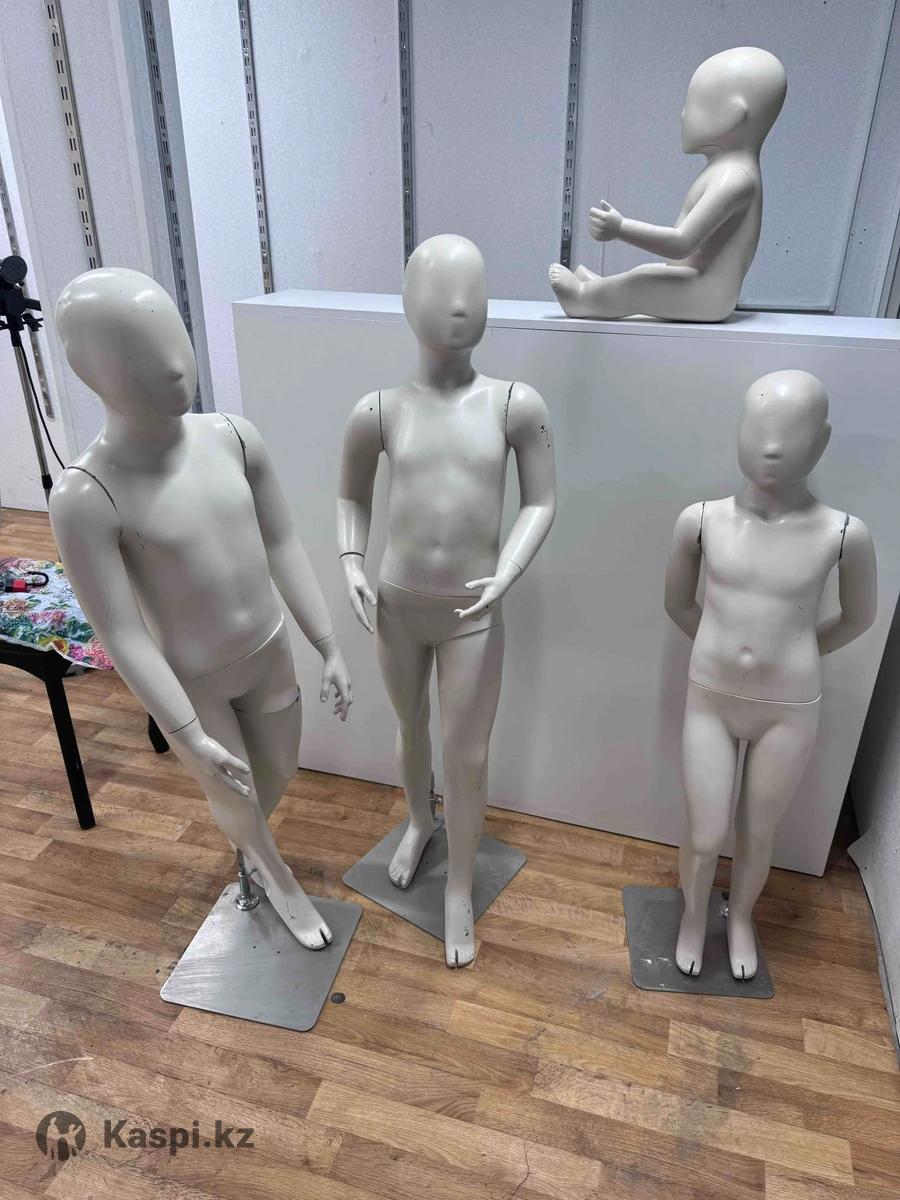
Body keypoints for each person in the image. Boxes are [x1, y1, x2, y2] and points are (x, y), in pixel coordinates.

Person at [50, 268, 352, 949]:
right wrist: (184, 731)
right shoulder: (86, 495)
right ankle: (275, 875)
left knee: (278, 772)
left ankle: (251, 845)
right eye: (137, 351)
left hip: (269, 650)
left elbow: (282, 542)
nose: (171, 363)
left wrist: (328, 643)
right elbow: (120, 632)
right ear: (89, 370)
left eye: (175, 337)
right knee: (234, 792)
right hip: (194, 680)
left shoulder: (234, 437)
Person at [337, 234, 556, 966]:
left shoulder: (515, 405)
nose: (460, 306)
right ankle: (417, 822)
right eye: (440, 291)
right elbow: (350, 496)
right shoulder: (378, 410)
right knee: (409, 727)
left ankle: (459, 887)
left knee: (466, 751)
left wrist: (508, 569)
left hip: (472, 610)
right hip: (397, 603)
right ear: (407, 304)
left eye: (474, 290)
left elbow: (542, 501)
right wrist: (350, 560)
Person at [664, 370, 876, 978]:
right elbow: (678, 604)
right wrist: (719, 647)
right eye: (758, 427)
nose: (772, 446)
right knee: (706, 832)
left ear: (822, 440)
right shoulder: (700, 521)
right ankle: (694, 917)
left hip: (789, 706)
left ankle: (741, 919)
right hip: (711, 696)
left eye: (791, 431)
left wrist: (798, 652)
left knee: (759, 832)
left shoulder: (843, 534)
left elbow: (859, 617)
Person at [550, 47, 786, 322]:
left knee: (643, 279)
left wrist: (620, 228)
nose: (683, 116)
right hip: (696, 282)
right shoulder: (728, 171)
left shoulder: (734, 179)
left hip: (706, 296)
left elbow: (681, 243)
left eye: (694, 105)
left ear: (731, 115)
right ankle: (601, 291)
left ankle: (583, 298)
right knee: (647, 275)